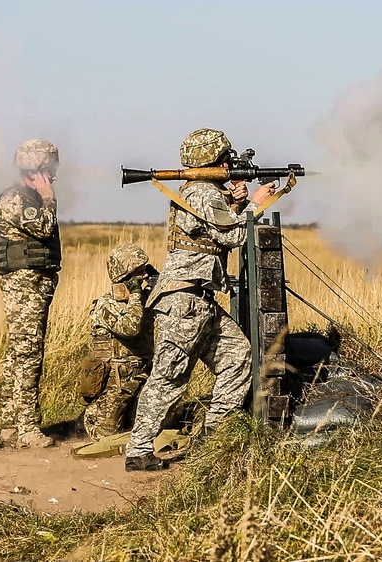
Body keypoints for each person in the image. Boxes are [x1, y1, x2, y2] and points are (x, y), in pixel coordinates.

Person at [125, 128, 274, 471]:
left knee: (238, 356)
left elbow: (216, 229)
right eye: (226, 161)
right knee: (168, 376)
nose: (230, 166)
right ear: (216, 161)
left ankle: (214, 434)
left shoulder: (203, 193)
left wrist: (235, 202)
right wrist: (256, 204)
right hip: (185, 300)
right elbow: (234, 234)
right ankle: (138, 450)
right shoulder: (204, 193)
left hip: (199, 299)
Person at [0, 139, 62, 449]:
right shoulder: (15, 201)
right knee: (28, 356)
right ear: (36, 172)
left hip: (34, 283)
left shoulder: (25, 198)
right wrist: (49, 199)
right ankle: (27, 428)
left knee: (19, 355)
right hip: (25, 286)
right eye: (49, 171)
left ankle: (10, 423)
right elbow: (44, 229)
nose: (54, 177)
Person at [79, 242, 157, 439]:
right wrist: (137, 296)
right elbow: (130, 328)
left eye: (145, 270)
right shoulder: (107, 305)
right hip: (117, 386)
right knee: (106, 436)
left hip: (144, 378)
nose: (145, 276)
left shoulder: (145, 300)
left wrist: (159, 283)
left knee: (163, 425)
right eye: (139, 273)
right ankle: (87, 419)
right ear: (125, 278)